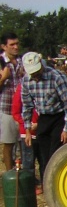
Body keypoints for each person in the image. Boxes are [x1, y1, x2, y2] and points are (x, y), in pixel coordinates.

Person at [20, 52, 67, 183]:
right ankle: (48, 183)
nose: (35, 75)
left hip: (59, 117)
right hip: (43, 118)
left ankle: (59, 182)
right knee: (44, 156)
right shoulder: (26, 81)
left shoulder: (56, 77)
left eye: (36, 71)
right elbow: (27, 106)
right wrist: (27, 130)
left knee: (56, 153)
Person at [11, 82, 42, 193]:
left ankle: (44, 183)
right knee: (28, 161)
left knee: (44, 160)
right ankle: (30, 185)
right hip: (27, 132)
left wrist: (40, 123)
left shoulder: (43, 85)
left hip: (42, 130)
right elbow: (15, 111)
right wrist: (26, 123)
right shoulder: (21, 88)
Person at [1, 32, 25, 171]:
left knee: (23, 144)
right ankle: (9, 175)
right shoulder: (1, 63)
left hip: (22, 109)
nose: (16, 47)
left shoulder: (22, 61)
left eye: (17, 43)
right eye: (12, 45)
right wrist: (3, 78)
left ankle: (22, 174)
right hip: (7, 109)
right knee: (9, 144)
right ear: (4, 46)